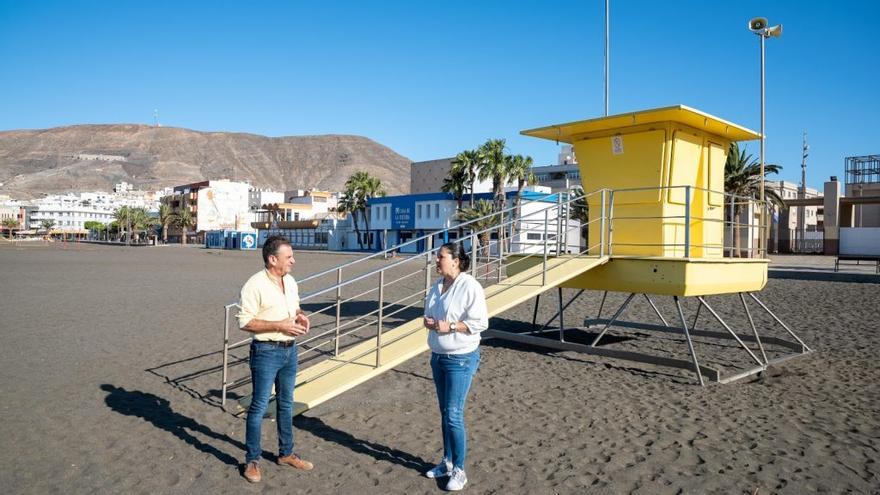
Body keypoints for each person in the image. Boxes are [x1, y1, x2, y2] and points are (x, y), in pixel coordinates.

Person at [237, 235, 313, 483]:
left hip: (291, 350)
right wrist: (279, 325)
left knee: (286, 404)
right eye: (288, 256)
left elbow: (295, 307)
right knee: (259, 407)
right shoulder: (254, 285)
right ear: (272, 259)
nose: (293, 260)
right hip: (266, 352)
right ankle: (253, 461)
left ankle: (287, 453)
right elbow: (245, 322)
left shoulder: (289, 281)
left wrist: (300, 316)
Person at [422, 242, 488, 491]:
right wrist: (430, 323)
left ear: (456, 261)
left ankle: (460, 470)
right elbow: (429, 314)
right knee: (445, 413)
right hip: (438, 357)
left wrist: (449, 326)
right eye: (437, 256)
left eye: (440, 256)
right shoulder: (437, 286)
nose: (436, 260)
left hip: (460, 357)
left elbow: (480, 322)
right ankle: (447, 462)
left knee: (453, 413)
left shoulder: (470, 286)